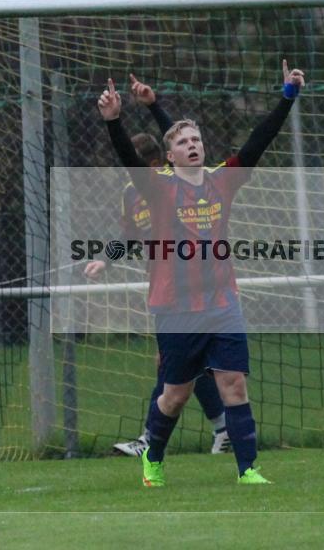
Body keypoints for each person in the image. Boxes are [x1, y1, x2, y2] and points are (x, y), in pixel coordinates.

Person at [97, 59, 305, 486]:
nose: (193, 145)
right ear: (169, 157)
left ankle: (249, 470)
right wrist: (114, 121)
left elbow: (257, 143)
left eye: (197, 139)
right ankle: (152, 456)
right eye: (183, 142)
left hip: (222, 303)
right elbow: (130, 166)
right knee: (174, 396)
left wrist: (287, 98)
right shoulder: (155, 188)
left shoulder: (222, 181)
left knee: (234, 386)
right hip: (176, 307)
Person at [85, 84, 230, 456]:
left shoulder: (172, 179)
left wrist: (154, 106)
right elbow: (131, 236)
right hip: (166, 285)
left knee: (174, 363)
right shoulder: (133, 195)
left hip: (198, 283)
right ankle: (222, 430)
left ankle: (152, 439)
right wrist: (106, 257)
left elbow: (180, 139)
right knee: (181, 365)